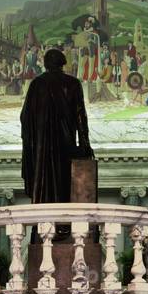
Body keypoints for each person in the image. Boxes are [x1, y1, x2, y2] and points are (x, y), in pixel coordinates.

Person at [20, 47, 93, 203]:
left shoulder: (36, 84)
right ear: (63, 64)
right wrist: (85, 144)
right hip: (66, 142)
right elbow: (81, 117)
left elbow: (25, 117)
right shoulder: (73, 83)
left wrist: (32, 140)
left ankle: (43, 223)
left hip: (42, 146)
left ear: (46, 64)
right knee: (66, 180)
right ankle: (65, 223)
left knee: (44, 180)